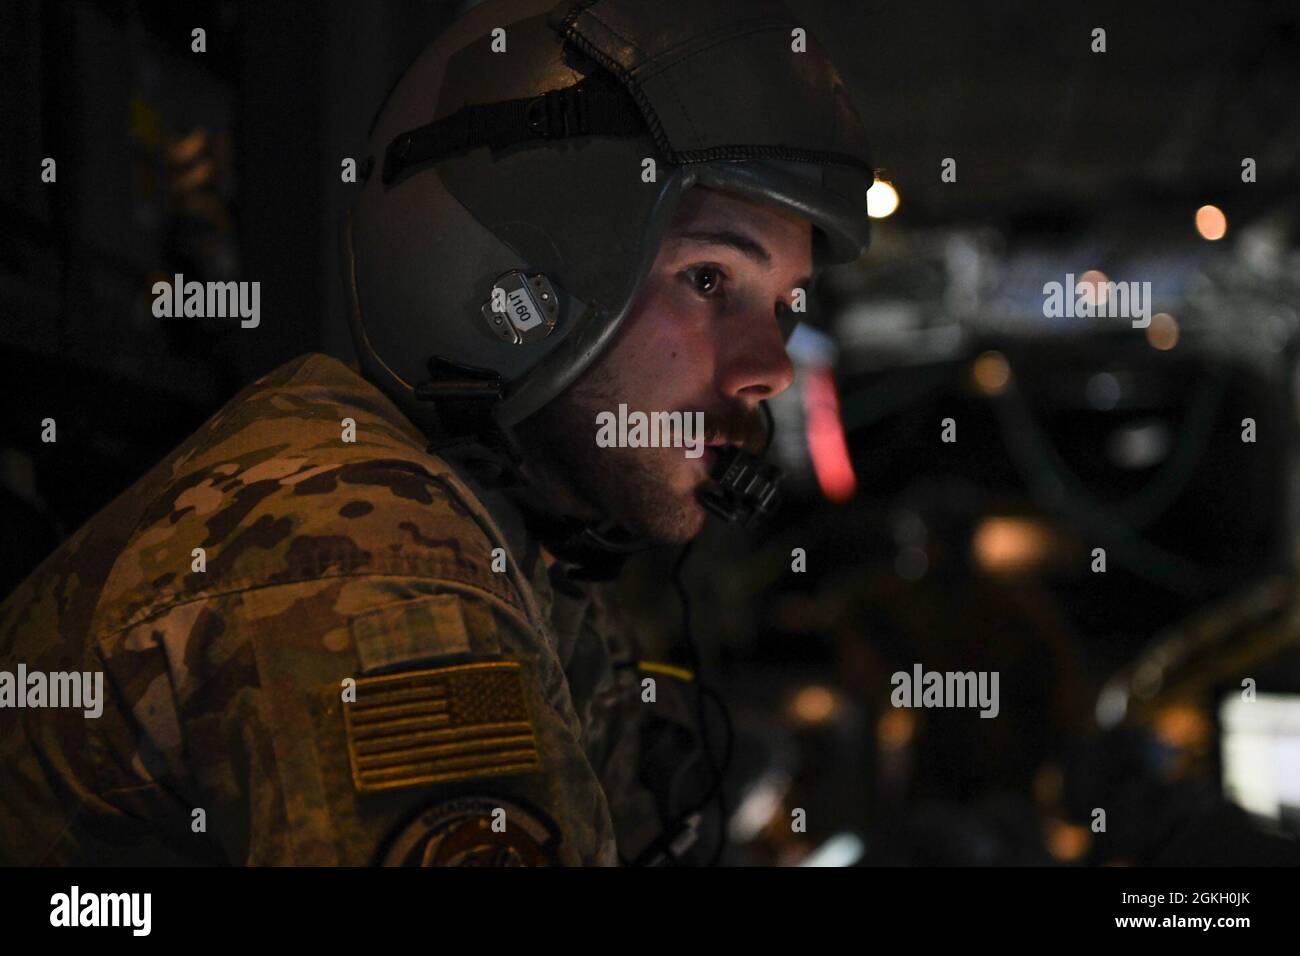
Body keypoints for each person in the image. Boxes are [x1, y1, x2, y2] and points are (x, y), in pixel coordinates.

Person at [0, 0, 873, 865]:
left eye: (785, 304)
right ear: (521, 287)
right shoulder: (368, 558)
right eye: (711, 279)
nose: (775, 366)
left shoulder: (522, 553)